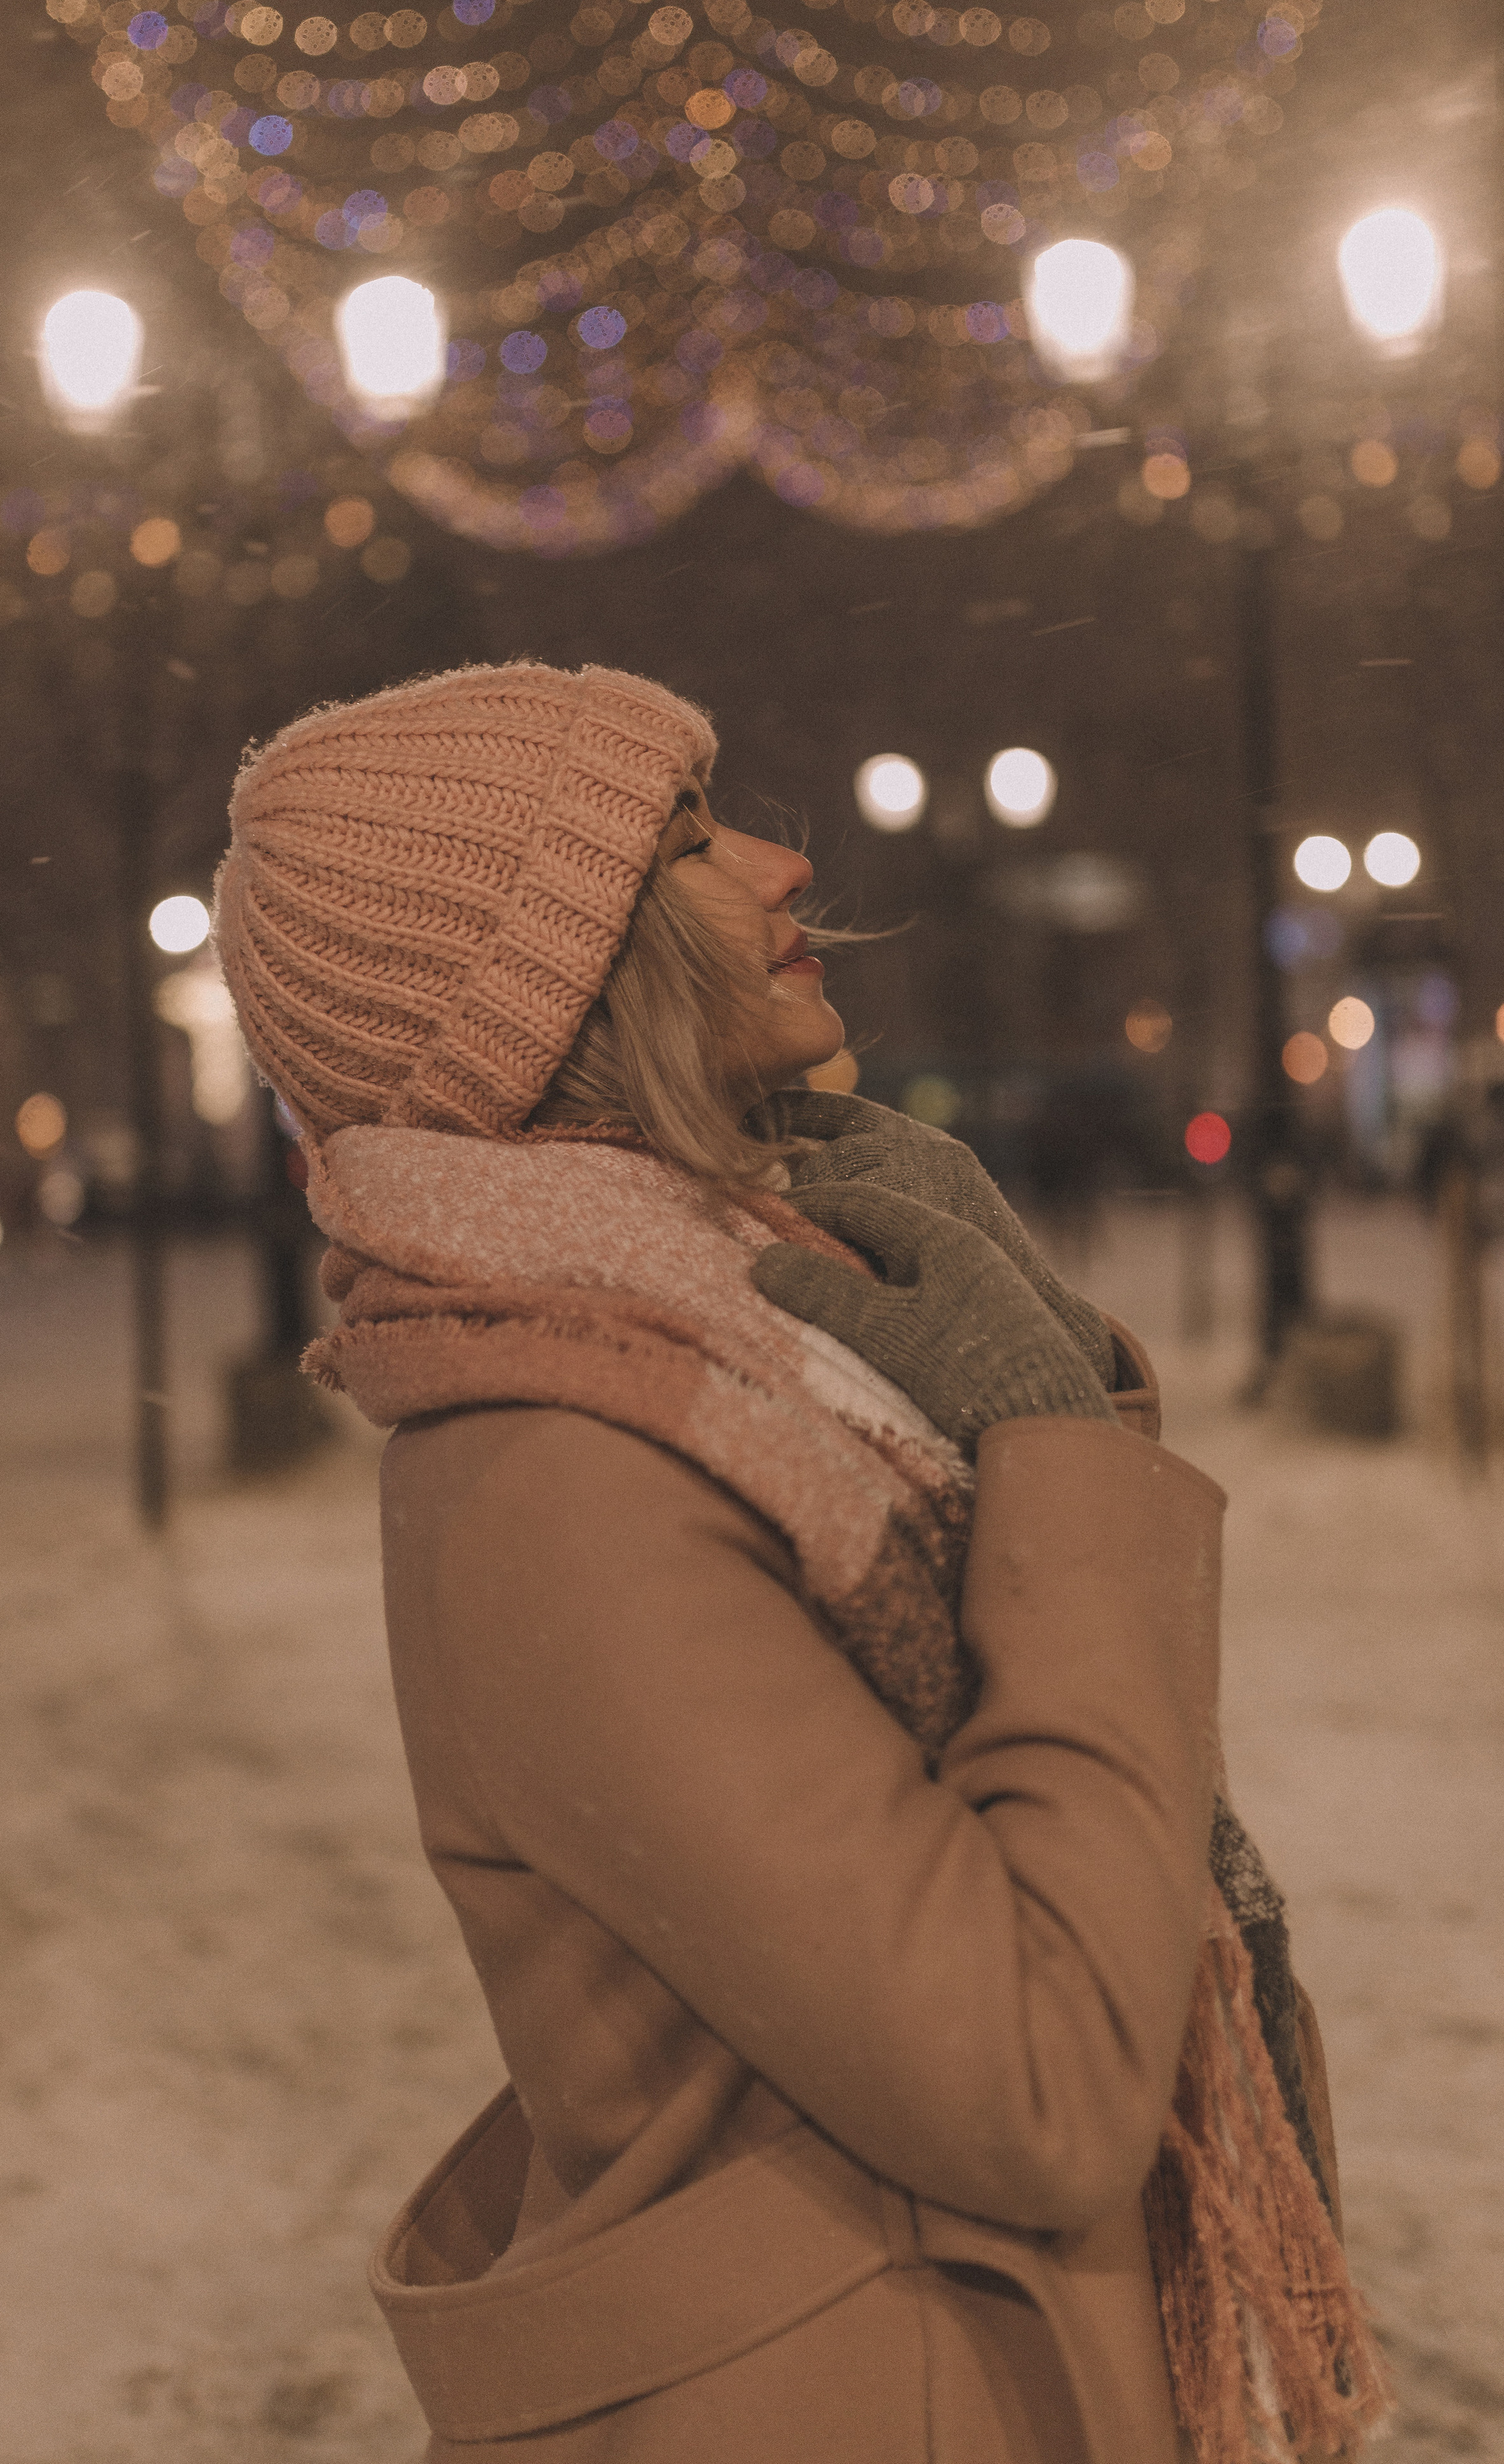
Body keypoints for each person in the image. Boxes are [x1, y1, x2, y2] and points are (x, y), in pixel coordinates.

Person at [215, 660, 1387, 2464]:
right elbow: (1045, 2077)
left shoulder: (734, 1347)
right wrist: (1048, 1445)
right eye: (681, 839)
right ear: (555, 985)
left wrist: (1041, 1414)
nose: (776, 863)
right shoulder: (561, 1467)